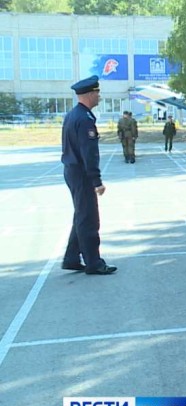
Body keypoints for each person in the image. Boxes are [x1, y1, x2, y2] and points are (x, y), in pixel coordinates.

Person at [60, 75, 117, 275]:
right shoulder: (84, 120)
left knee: (81, 216)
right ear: (90, 94)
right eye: (97, 92)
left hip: (72, 171)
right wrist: (96, 181)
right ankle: (94, 262)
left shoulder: (73, 115)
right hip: (82, 174)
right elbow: (88, 153)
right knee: (89, 219)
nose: (99, 96)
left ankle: (72, 258)